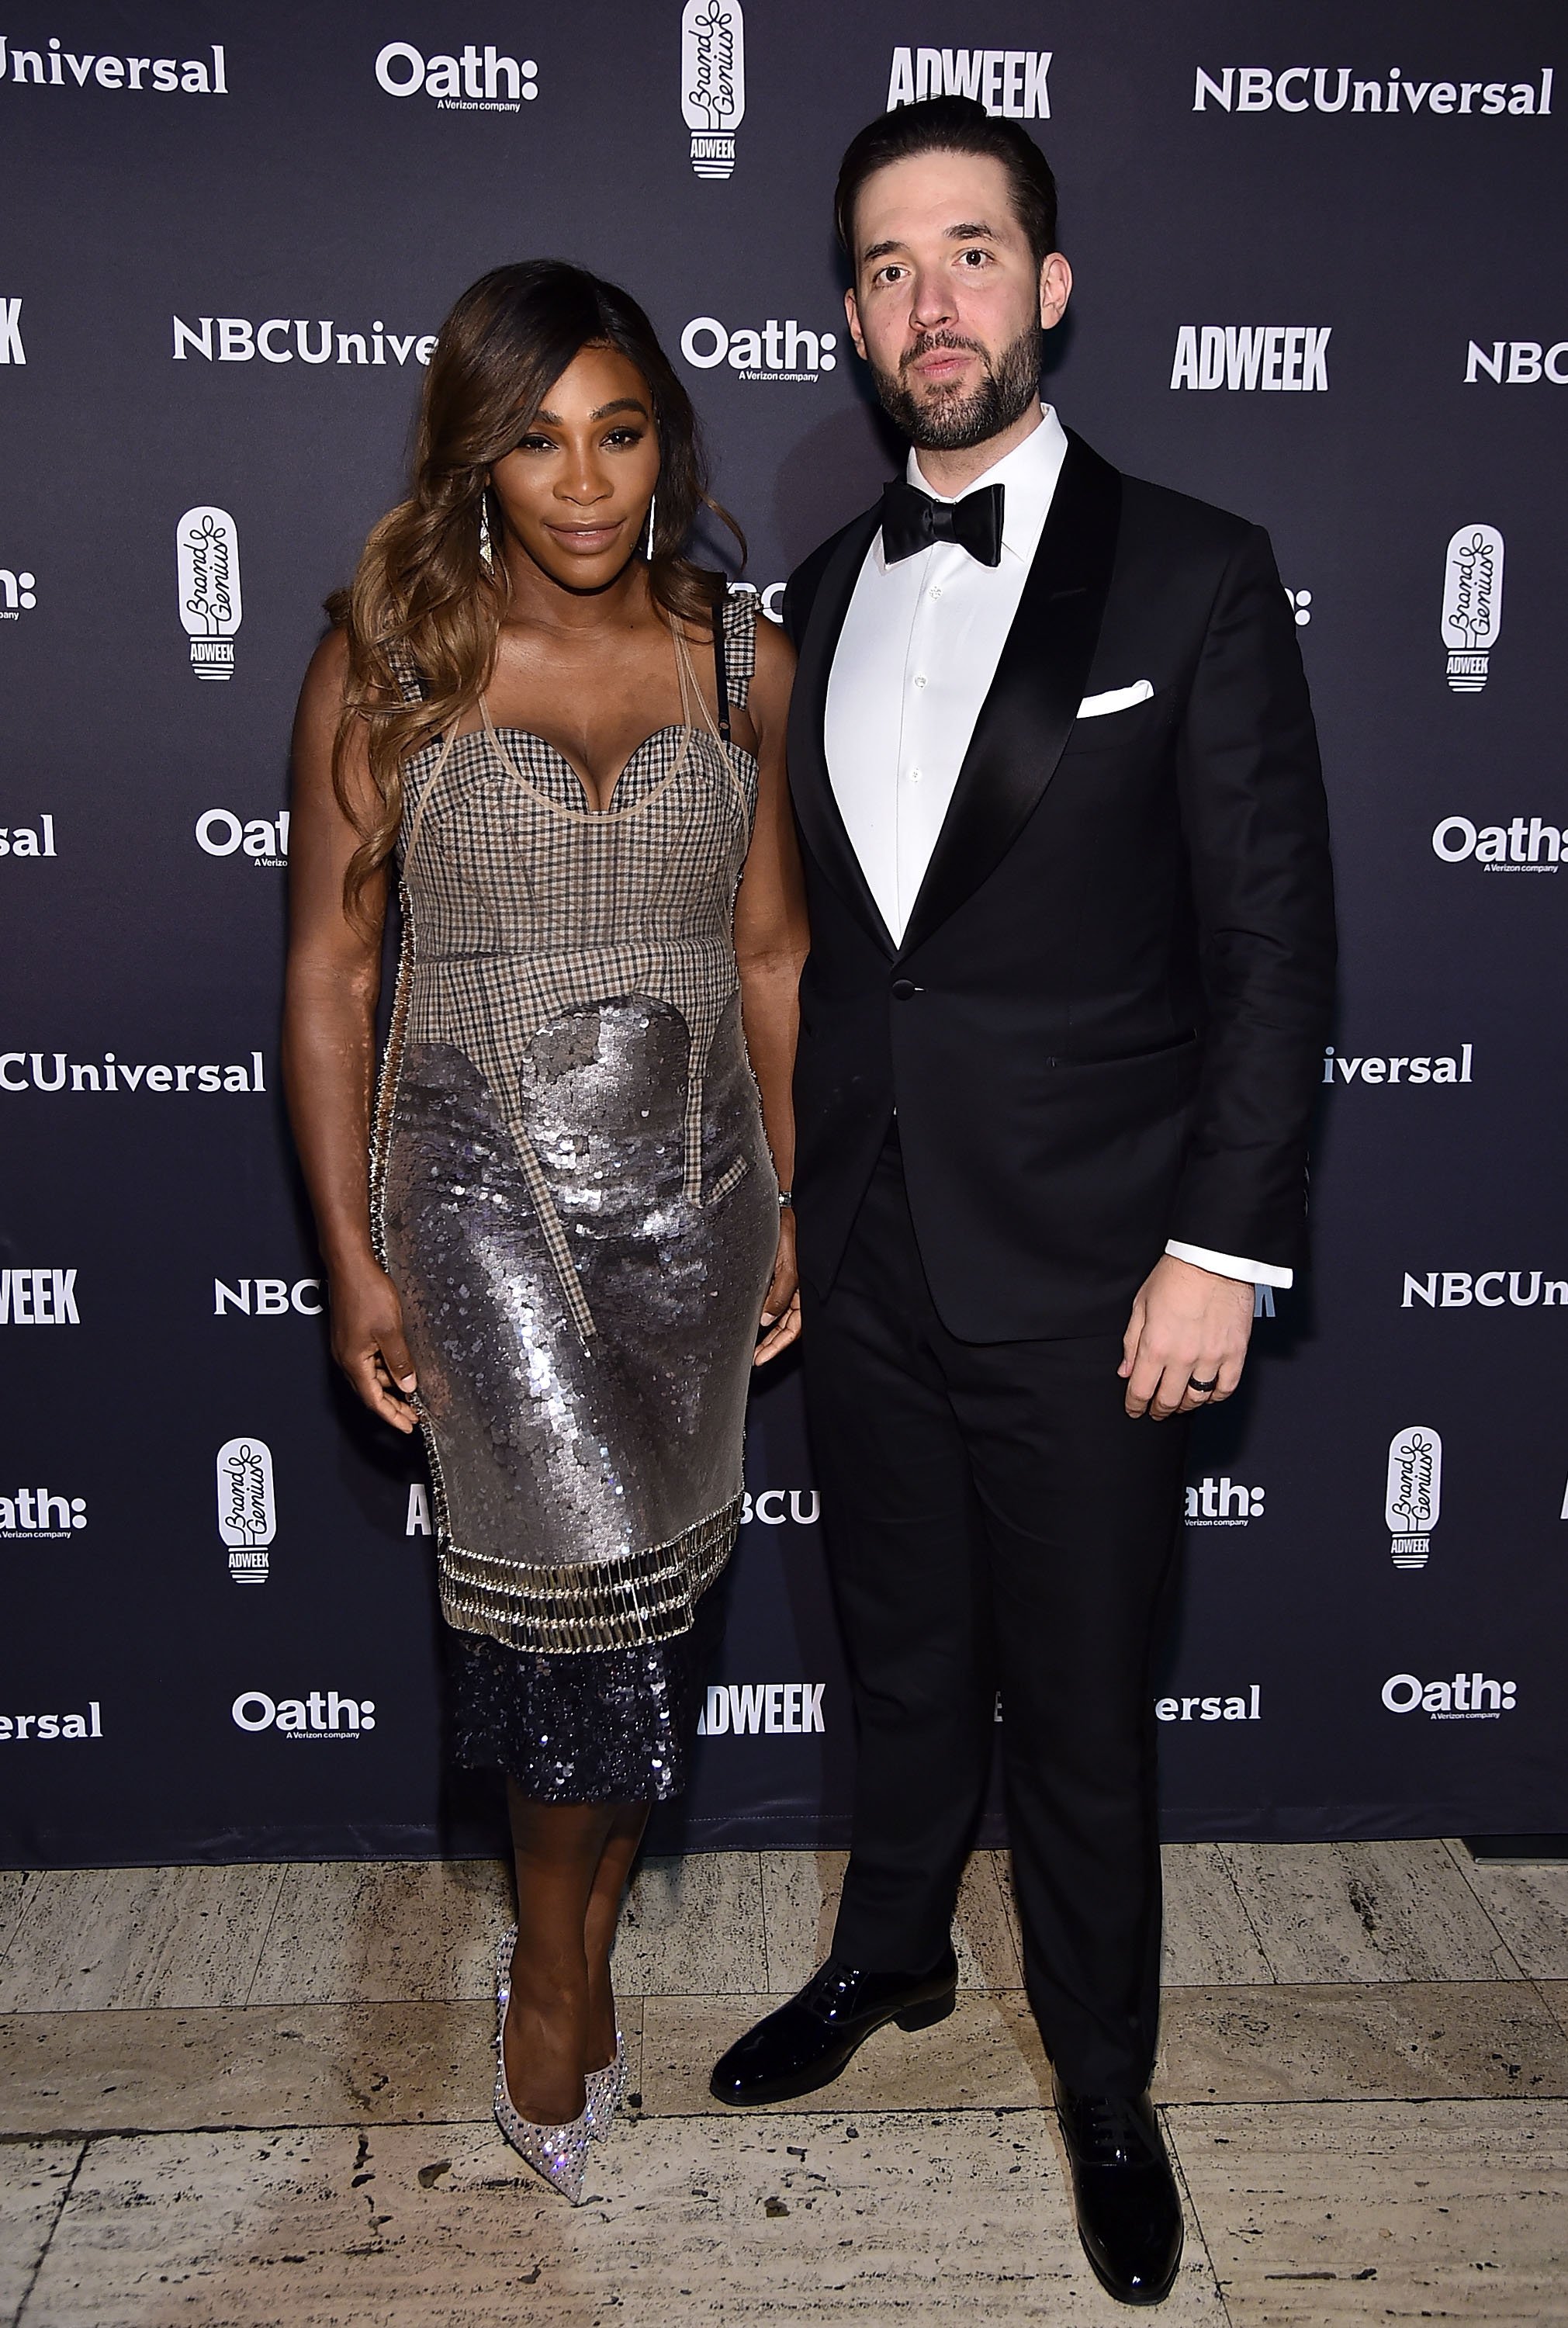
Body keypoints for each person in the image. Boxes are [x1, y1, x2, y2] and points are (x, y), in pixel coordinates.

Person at [710, 99, 1335, 2305]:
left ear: (1047, 286)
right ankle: (890, 1960)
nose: (929, 304)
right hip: (864, 1251)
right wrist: (788, 1207)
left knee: (1077, 1702)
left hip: (1099, 1274)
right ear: (854, 320)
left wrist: (1217, 1248)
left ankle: (1100, 2075)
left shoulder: (1187, 567)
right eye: (886, 269)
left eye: (968, 254)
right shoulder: (801, 599)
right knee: (895, 1658)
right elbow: (806, 949)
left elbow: (1269, 946)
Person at [283, 261, 805, 2205]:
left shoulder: (746, 659)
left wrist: (792, 1202)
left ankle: (568, 1936)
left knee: (647, 1613)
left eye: (620, 431)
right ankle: (562, 1975)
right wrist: (353, 1254)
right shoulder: (388, 659)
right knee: (562, 1619)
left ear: (665, 441)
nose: (581, 482)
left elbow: (770, 951)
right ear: (474, 456)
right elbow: (334, 978)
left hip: (695, 1197)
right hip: (481, 1205)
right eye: (534, 438)